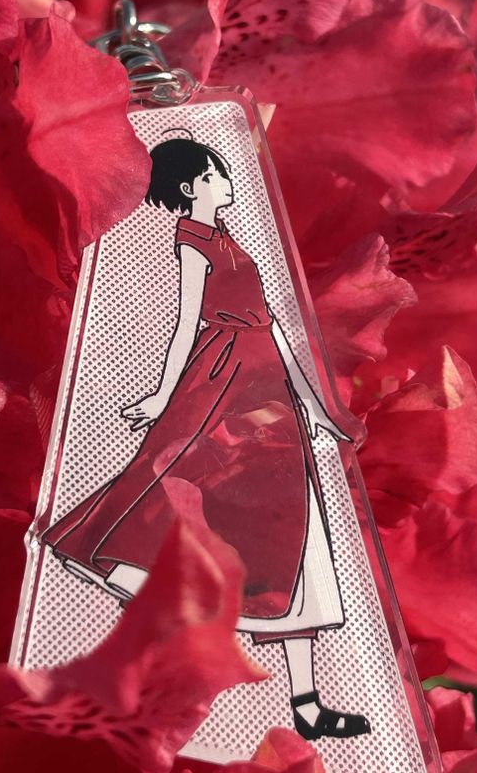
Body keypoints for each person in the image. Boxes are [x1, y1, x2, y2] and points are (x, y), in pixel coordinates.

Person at [41, 133, 371, 742]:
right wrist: (162, 397)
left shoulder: (230, 237)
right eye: (218, 173)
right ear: (193, 186)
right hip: (221, 381)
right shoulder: (191, 240)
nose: (227, 180)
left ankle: (307, 706)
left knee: (295, 533)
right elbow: (186, 325)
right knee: (180, 506)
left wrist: (314, 405)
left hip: (267, 387)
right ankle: (161, 680)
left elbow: (275, 327)